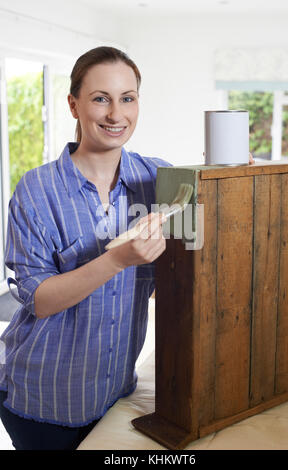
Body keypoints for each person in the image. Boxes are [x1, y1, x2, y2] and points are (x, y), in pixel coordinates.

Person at [0, 46, 172, 450]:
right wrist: (117, 259)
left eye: (127, 98)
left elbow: (192, 258)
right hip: (44, 399)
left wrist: (236, 173)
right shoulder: (36, 191)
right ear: (74, 105)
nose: (116, 115)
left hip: (115, 391)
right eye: (101, 99)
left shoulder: (157, 179)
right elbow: (40, 299)